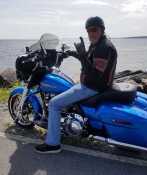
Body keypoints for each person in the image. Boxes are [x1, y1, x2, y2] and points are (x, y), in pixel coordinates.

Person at [35, 16, 117, 154]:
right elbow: (89, 63)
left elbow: (95, 75)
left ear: (102, 30)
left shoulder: (103, 47)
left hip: (93, 87)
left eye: (94, 30)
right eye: (88, 30)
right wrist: (73, 54)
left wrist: (83, 56)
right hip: (93, 84)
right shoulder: (98, 43)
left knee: (54, 104)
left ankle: (53, 144)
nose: (91, 33)